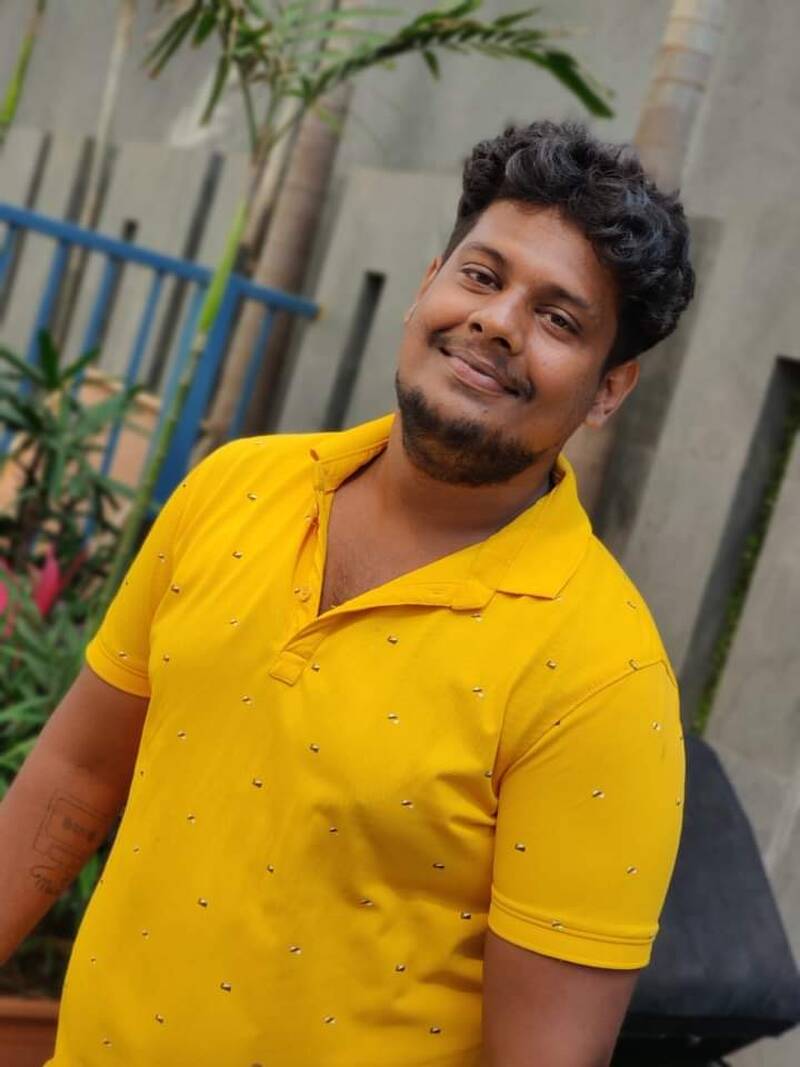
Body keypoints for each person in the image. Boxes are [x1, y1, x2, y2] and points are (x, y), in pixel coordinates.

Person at [0, 119, 694, 1066]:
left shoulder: (603, 679)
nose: (498, 322)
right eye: (481, 275)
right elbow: (78, 773)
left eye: (559, 319)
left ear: (609, 389)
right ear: (428, 282)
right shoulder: (234, 486)